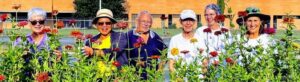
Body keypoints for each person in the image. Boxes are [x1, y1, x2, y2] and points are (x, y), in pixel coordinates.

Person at [14, 8, 62, 80]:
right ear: (29, 23)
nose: (38, 24)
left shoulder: (52, 40)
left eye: (41, 21)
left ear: (45, 22)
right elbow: (14, 63)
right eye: (34, 22)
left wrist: (59, 58)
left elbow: (60, 65)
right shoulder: (21, 41)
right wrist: (20, 56)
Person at [127, 10, 167, 80]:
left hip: (151, 77)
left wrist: (159, 70)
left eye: (148, 22)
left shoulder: (155, 37)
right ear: (137, 21)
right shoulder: (128, 36)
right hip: (133, 78)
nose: (146, 24)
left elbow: (165, 53)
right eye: (143, 21)